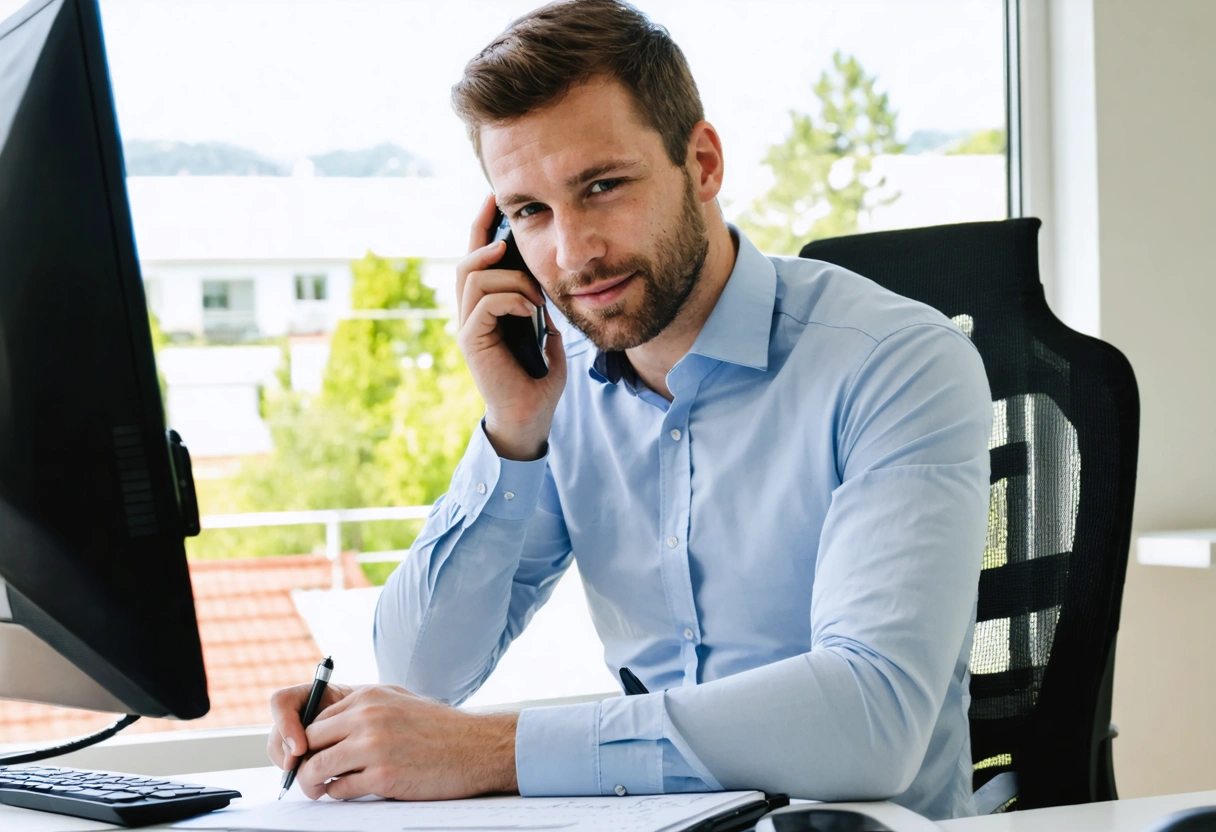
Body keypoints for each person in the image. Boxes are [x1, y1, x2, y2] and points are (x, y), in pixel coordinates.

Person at [266, 0, 992, 820]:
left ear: (704, 162)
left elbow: (872, 721)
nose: (572, 253)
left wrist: (488, 752)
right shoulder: (557, 384)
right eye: (529, 212)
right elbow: (421, 669)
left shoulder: (894, 363)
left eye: (602, 186)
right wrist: (512, 433)